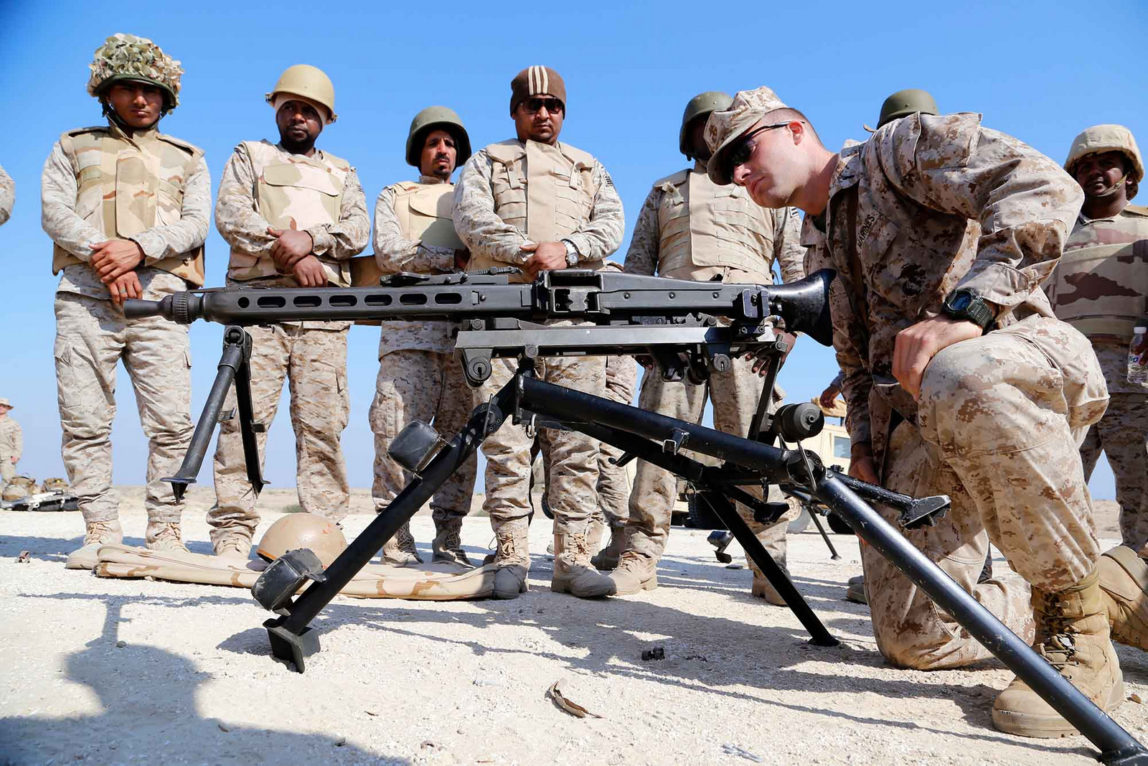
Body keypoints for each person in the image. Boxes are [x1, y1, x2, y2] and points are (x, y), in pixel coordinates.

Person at [705, 85, 1120, 737]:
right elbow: (859, 356)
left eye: (743, 149)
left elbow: (1042, 184)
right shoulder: (826, 243)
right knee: (909, 639)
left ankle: (1079, 621)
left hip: (1014, 367)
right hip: (920, 425)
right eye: (723, 168)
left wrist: (969, 312)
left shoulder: (896, 150)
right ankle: (1111, 593)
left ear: (794, 129)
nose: (735, 172)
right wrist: (867, 443)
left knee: (959, 371)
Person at [612, 91, 806, 600]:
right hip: (673, 336)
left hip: (748, 337)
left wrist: (789, 330)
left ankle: (769, 563)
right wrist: (640, 333)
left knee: (755, 449)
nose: (714, 134)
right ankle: (641, 553)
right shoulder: (664, 191)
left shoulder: (763, 188)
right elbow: (637, 270)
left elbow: (798, 267)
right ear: (690, 133)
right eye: (705, 126)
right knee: (656, 444)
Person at [453, 65, 624, 599]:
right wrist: (526, 252)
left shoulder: (588, 166)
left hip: (572, 317)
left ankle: (571, 559)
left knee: (575, 438)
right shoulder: (485, 160)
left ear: (564, 112)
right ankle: (510, 555)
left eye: (553, 106)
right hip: (503, 310)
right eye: (533, 106)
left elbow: (610, 225)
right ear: (515, 112)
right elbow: (470, 218)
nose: (543, 114)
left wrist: (567, 251)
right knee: (504, 440)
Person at [43, 33, 207, 568]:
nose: (140, 100)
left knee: (172, 422)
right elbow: (54, 213)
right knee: (85, 418)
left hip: (161, 303)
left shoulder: (189, 160)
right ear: (106, 94)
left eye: (151, 91)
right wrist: (104, 256)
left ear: (166, 98)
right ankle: (99, 530)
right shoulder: (72, 146)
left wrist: (137, 249)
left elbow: (194, 224)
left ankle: (164, 530)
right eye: (128, 89)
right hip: (86, 299)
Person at [208, 64, 369, 559]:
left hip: (321, 315)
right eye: (291, 107)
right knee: (243, 423)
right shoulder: (249, 156)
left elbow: (359, 230)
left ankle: (324, 532)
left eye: (310, 110)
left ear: (325, 119)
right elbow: (232, 216)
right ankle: (233, 531)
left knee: (322, 425)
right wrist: (293, 254)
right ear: (277, 110)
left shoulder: (343, 172)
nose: (299, 116)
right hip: (258, 310)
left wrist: (313, 239)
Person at [368, 106, 477, 565]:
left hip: (465, 337)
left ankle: (449, 537)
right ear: (418, 151)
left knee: (462, 443)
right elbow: (390, 251)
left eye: (450, 144)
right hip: (410, 335)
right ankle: (395, 534)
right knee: (395, 434)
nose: (443, 151)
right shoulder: (396, 193)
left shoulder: (475, 199)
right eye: (433, 143)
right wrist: (446, 260)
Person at [0, 398, 23, 485]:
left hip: (7, 457)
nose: (1, 407)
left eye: (3, 406)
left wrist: (16, 455)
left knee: (8, 481)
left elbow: (18, 441)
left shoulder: (13, 424)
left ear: (7, 408)